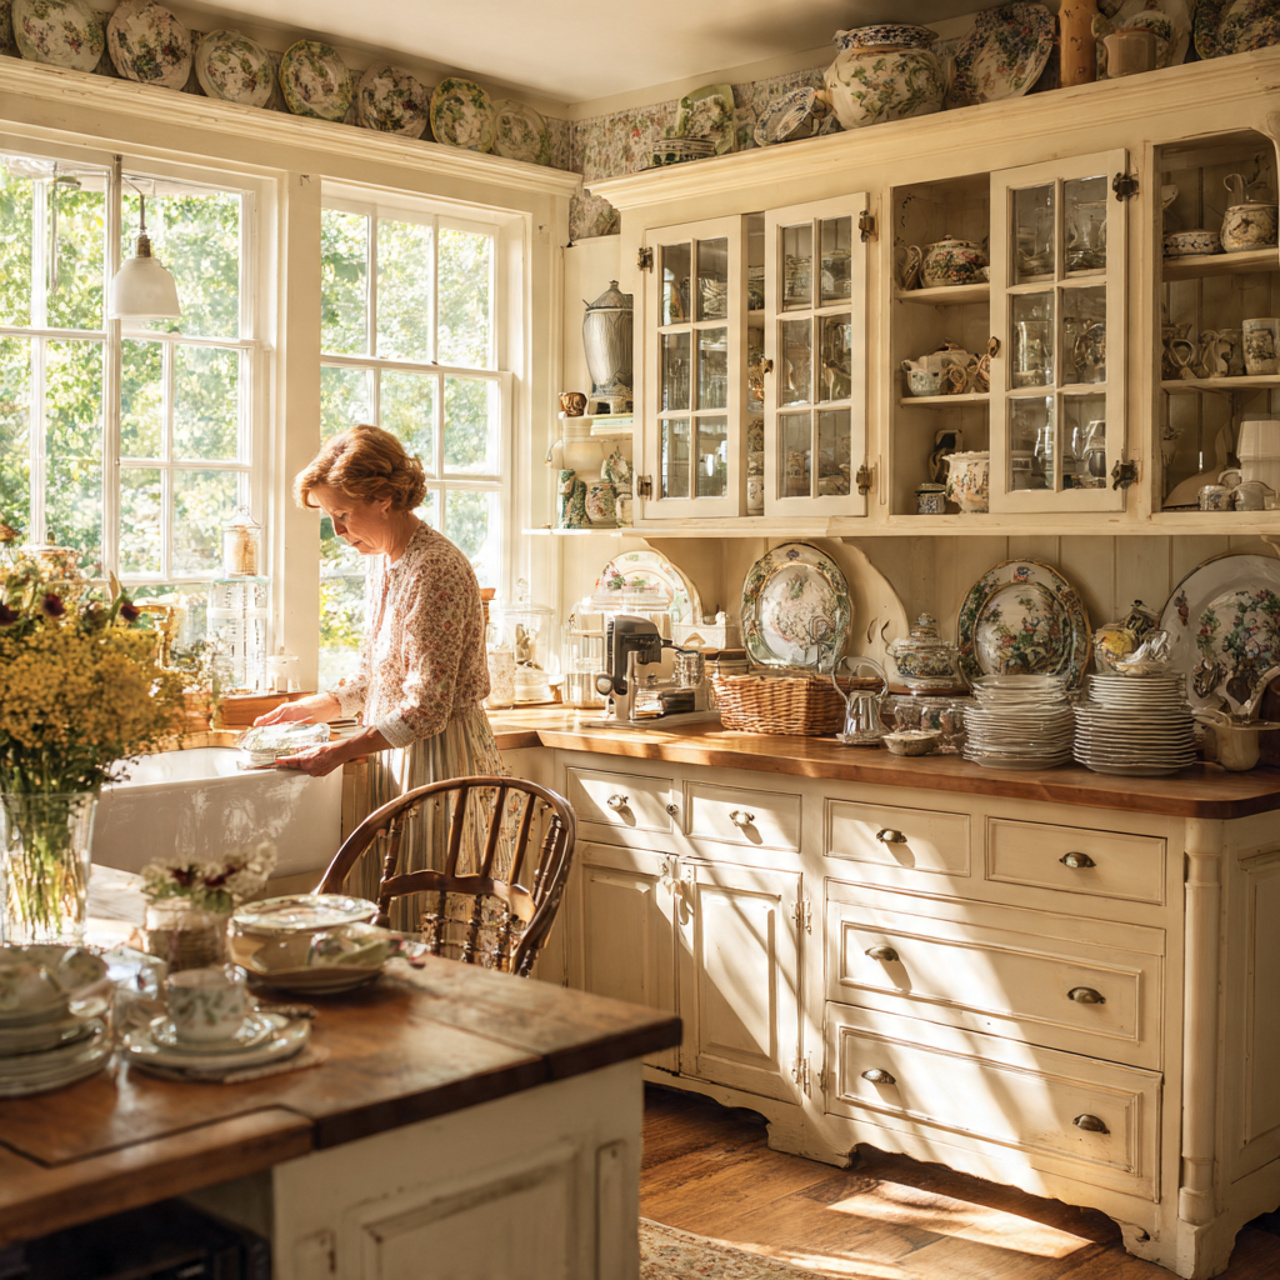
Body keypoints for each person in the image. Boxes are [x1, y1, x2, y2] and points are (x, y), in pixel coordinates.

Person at [255, 423, 502, 908]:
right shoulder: (384, 563)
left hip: (441, 759)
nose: (338, 532)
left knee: (435, 916)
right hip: (397, 756)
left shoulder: (435, 569)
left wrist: (338, 752)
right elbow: (373, 680)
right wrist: (308, 709)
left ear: (385, 497)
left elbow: (427, 709)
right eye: (330, 517)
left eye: (343, 514)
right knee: (395, 914)